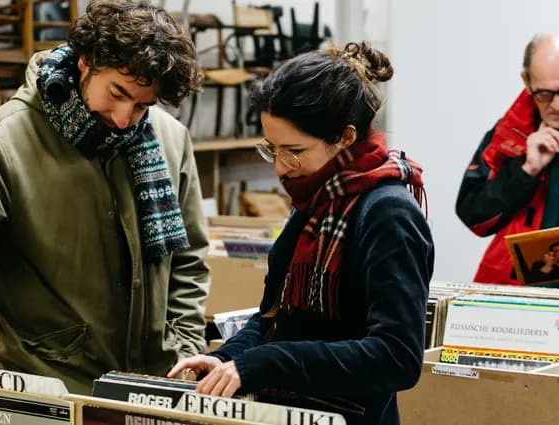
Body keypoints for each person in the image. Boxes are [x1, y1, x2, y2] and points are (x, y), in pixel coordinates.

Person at [0, 0, 209, 395]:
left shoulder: (169, 138)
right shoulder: (4, 143)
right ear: (86, 62)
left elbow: (187, 260)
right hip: (50, 392)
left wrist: (186, 350)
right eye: (117, 93)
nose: (123, 118)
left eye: (141, 105)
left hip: (157, 387)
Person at [168, 42, 434, 425]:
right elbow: (275, 319)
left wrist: (264, 363)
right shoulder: (316, 198)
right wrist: (226, 359)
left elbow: (396, 357)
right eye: (271, 149)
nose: (279, 168)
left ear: (344, 138)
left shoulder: (387, 213)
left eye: (293, 151)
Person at [456, 33, 559, 294]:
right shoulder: (508, 134)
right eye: (544, 94)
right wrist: (526, 172)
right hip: (519, 304)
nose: (557, 105)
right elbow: (472, 214)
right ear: (526, 82)